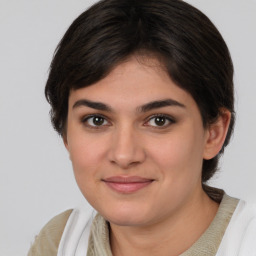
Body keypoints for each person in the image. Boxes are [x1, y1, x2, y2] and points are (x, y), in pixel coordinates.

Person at [28, 0, 256, 255]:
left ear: (213, 133)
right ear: (66, 134)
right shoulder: (59, 243)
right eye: (97, 120)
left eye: (159, 120)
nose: (124, 155)